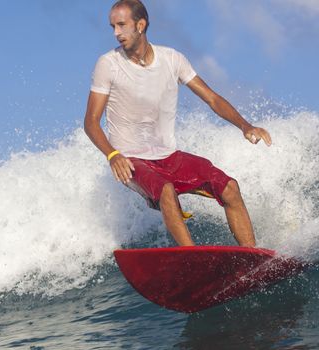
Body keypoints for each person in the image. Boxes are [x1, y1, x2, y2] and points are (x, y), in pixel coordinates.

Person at [84, 0, 272, 247]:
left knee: (229, 187)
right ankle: (192, 257)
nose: (115, 33)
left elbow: (212, 98)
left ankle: (252, 257)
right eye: (112, 27)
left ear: (140, 25)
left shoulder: (172, 59)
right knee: (165, 190)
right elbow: (91, 121)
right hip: (131, 160)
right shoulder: (108, 64)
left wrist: (245, 126)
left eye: (121, 25)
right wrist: (112, 155)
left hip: (169, 157)